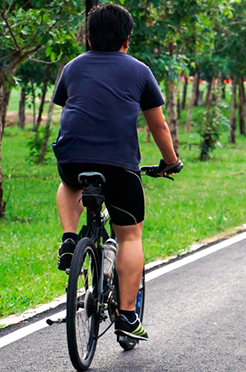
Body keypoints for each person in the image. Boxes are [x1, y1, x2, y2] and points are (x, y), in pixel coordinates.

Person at [51, 3, 182, 341]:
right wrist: (171, 162)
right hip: (119, 164)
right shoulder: (139, 71)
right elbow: (159, 126)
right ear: (127, 39)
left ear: (89, 37)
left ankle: (69, 238)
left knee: (68, 184)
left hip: (72, 156)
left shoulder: (73, 67)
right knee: (130, 235)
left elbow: (72, 107)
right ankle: (126, 315)